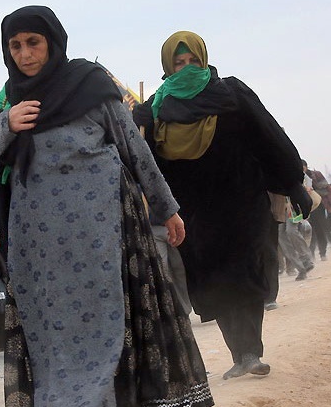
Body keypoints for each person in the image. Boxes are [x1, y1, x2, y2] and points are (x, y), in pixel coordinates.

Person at [0, 7, 213, 407]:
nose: (24, 54)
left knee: (108, 320)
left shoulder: (90, 85)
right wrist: (6, 125)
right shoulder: (13, 100)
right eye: (15, 46)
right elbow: (0, 159)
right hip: (39, 241)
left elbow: (134, 148)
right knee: (51, 330)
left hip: (104, 228)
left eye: (33, 42)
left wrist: (166, 207)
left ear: (53, 42)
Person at [133, 31, 310, 382]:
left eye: (192, 61)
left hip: (243, 201)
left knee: (245, 272)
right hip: (194, 212)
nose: (187, 68)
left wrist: (292, 182)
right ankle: (239, 353)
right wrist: (139, 124)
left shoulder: (231, 93)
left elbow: (269, 136)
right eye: (179, 63)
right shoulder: (155, 109)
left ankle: (251, 352)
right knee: (214, 279)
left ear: (204, 60)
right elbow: (146, 162)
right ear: (167, 67)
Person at [303, 160, 329, 260]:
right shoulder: (297, 177)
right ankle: (311, 253)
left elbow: (325, 186)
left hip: (318, 205)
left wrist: (312, 187)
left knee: (320, 229)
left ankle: (323, 252)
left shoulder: (316, 174)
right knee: (309, 231)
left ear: (306, 166)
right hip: (306, 208)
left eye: (303, 168)